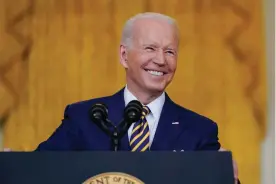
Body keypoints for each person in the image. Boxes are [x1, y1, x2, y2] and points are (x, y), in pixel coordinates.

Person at [35, 12, 239, 183]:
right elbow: (37, 172)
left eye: (170, 51)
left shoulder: (199, 131)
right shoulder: (85, 118)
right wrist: (8, 166)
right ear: (124, 56)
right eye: (150, 48)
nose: (160, 60)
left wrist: (231, 178)